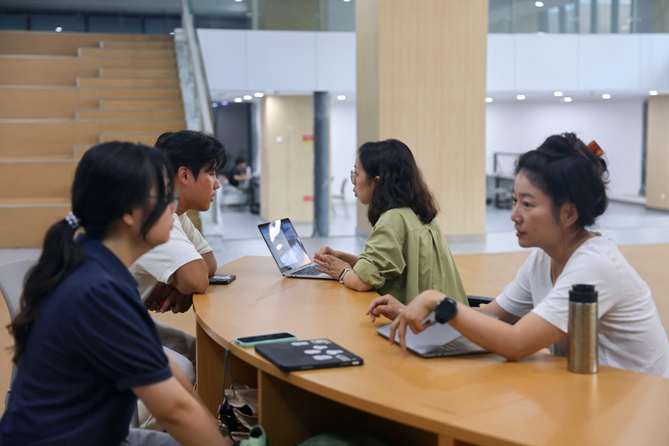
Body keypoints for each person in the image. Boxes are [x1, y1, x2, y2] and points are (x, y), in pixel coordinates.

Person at [0, 142, 245, 445]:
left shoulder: (98, 265)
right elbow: (174, 410)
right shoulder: (98, 292)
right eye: (165, 198)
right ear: (130, 213)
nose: (173, 208)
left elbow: (167, 370)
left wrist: (213, 426)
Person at [370, 133, 669, 378]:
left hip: (636, 402)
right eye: (514, 201)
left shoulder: (595, 265)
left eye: (527, 204)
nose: (514, 215)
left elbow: (516, 342)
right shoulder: (543, 258)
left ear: (568, 213)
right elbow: (492, 316)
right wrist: (415, 311)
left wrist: (437, 300)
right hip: (585, 391)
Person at [313, 139, 467, 306]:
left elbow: (362, 282)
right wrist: (340, 257)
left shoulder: (393, 219)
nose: (353, 180)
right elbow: (379, 267)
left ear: (376, 181)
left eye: (356, 174)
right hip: (450, 316)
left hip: (423, 319)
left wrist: (342, 272)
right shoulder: (420, 213)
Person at [130, 130, 225, 373]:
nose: (217, 184)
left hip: (125, 317)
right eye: (211, 174)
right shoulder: (152, 212)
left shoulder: (173, 210)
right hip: (93, 327)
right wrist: (182, 281)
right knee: (183, 370)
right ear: (184, 175)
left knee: (201, 352)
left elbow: (209, 263)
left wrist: (173, 282)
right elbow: (197, 279)